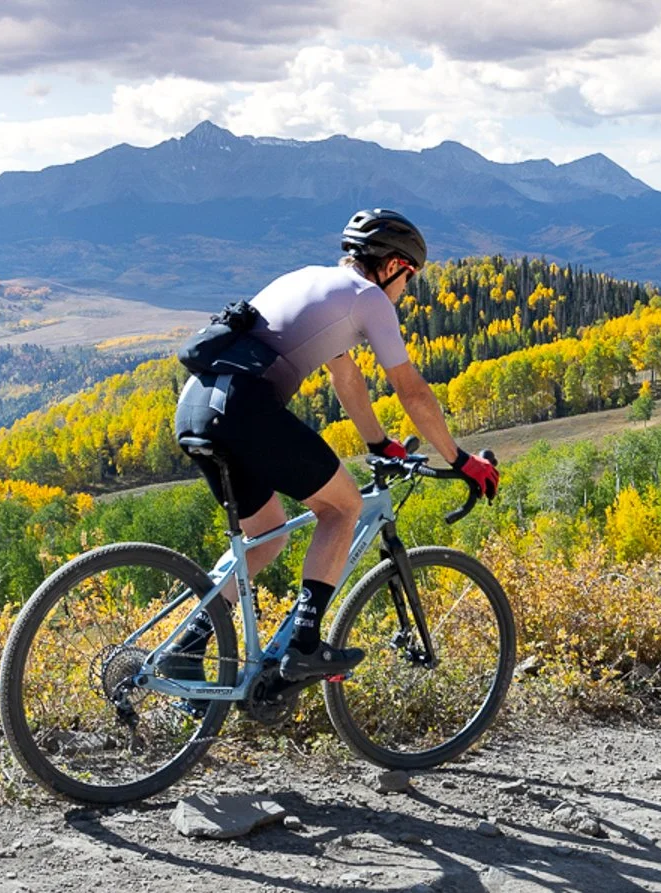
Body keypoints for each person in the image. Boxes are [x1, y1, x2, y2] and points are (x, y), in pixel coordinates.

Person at [166, 209, 500, 688]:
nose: (406, 293)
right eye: (409, 280)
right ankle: (304, 646)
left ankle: (187, 647)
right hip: (243, 407)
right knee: (343, 507)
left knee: (268, 534)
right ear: (393, 267)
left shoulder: (311, 281)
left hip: (197, 406)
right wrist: (460, 459)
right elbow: (411, 389)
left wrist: (379, 442)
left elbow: (345, 376)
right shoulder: (368, 298)